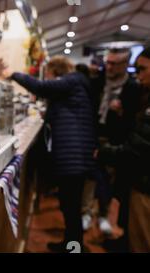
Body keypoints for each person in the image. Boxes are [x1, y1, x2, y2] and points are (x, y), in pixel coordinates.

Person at [4, 56, 97, 252]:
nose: (46, 76)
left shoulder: (71, 81)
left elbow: (40, 87)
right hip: (75, 154)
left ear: (56, 71)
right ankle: (71, 244)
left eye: (48, 72)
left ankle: (74, 247)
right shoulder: (75, 85)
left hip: (73, 156)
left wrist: (13, 74)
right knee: (69, 205)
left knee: (71, 207)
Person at [83, 48, 143, 238]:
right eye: (108, 62)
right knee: (88, 177)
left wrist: (121, 113)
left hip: (116, 140)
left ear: (125, 64)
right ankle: (85, 212)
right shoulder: (96, 81)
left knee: (106, 180)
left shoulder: (134, 87)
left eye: (114, 63)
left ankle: (102, 215)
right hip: (92, 134)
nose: (109, 66)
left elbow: (135, 120)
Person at [99, 47, 150, 252]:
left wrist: (107, 152)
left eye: (142, 69)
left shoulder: (134, 89)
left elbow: (140, 148)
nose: (138, 74)